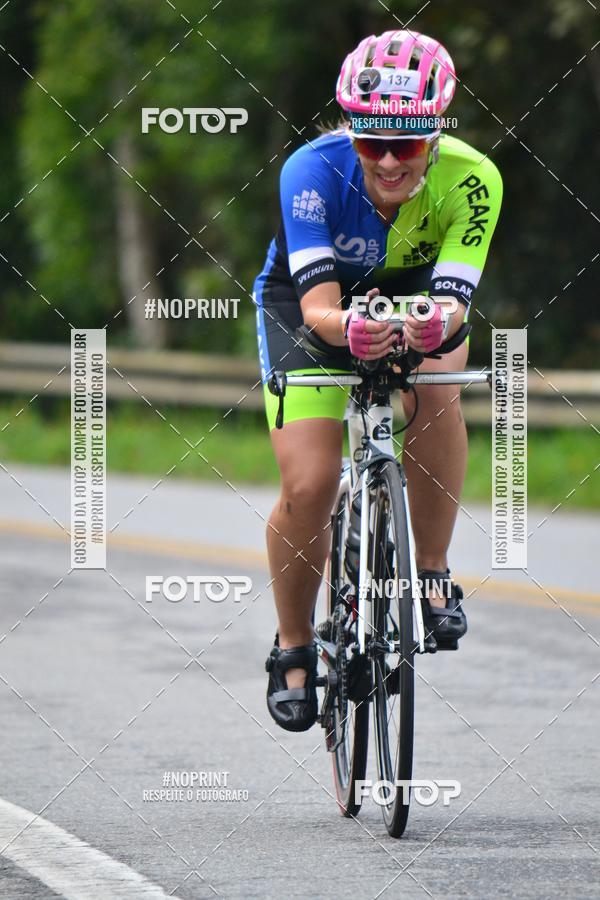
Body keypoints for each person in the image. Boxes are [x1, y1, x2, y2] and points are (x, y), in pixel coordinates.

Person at [254, 30, 502, 732]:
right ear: (352, 131)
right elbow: (318, 308)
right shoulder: (310, 170)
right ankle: (295, 647)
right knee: (309, 486)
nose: (390, 160)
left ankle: (429, 570)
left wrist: (433, 325)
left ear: (436, 132)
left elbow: (454, 299)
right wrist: (351, 329)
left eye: (409, 144)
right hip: (312, 308)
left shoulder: (475, 177)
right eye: (372, 143)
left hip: (419, 297)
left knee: (438, 388)